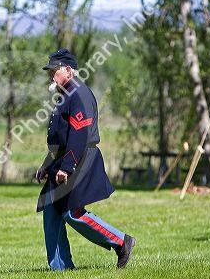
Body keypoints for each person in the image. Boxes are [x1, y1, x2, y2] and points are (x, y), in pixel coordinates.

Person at [36, 48, 136, 271]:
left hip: (79, 158)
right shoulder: (66, 94)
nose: (51, 76)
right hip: (62, 159)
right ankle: (60, 268)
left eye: (55, 71)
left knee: (73, 213)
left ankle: (121, 241)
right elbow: (60, 137)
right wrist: (46, 165)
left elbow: (79, 134)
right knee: (52, 213)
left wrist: (68, 167)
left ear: (69, 71)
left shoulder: (78, 94)